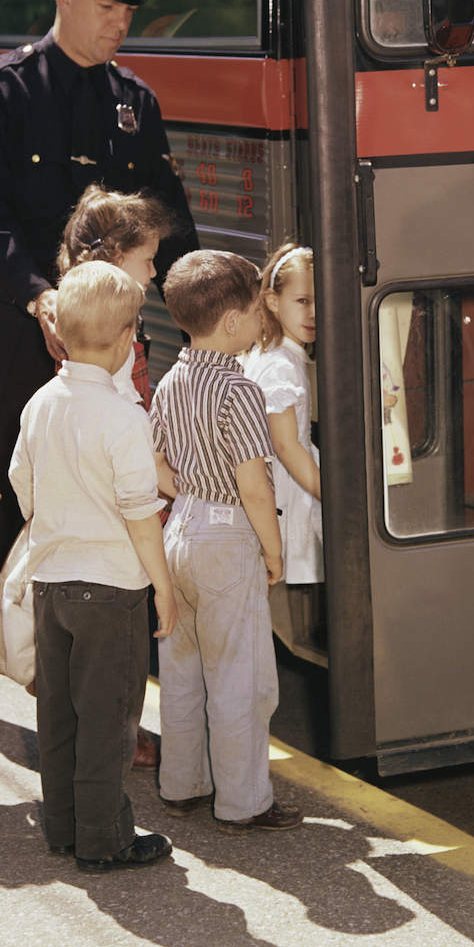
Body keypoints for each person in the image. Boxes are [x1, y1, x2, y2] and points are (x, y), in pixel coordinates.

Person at [0, 0, 198, 688]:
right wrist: (38, 295)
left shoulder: (132, 102)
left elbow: (169, 218)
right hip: (23, 325)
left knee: (123, 493)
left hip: (111, 336)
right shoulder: (2, 88)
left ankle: (118, 686)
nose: (121, 21)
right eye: (107, 4)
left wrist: (205, 311)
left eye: (128, 9)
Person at [9, 262, 178, 872]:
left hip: (53, 582)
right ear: (128, 339)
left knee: (58, 714)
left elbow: (22, 484)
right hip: (113, 591)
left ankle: (61, 826)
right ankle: (105, 838)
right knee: (108, 721)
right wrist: (163, 585)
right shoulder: (123, 417)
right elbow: (139, 512)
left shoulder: (40, 404)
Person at [149, 250, 303, 835]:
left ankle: (181, 786)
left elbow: (158, 466)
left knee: (182, 671)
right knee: (239, 676)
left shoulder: (171, 380)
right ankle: (244, 802)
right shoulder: (238, 390)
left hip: (180, 529)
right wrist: (273, 549)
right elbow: (254, 484)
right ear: (235, 322)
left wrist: (186, 489)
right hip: (226, 535)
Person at [243, 244, 322, 584]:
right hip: (288, 492)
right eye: (303, 301)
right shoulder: (278, 365)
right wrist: (333, 496)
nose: (314, 312)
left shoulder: (281, 355)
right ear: (273, 302)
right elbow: (287, 446)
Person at [55, 185, 175, 408]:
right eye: (149, 260)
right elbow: (121, 403)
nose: (154, 272)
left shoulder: (83, 310)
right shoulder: (109, 332)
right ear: (118, 256)